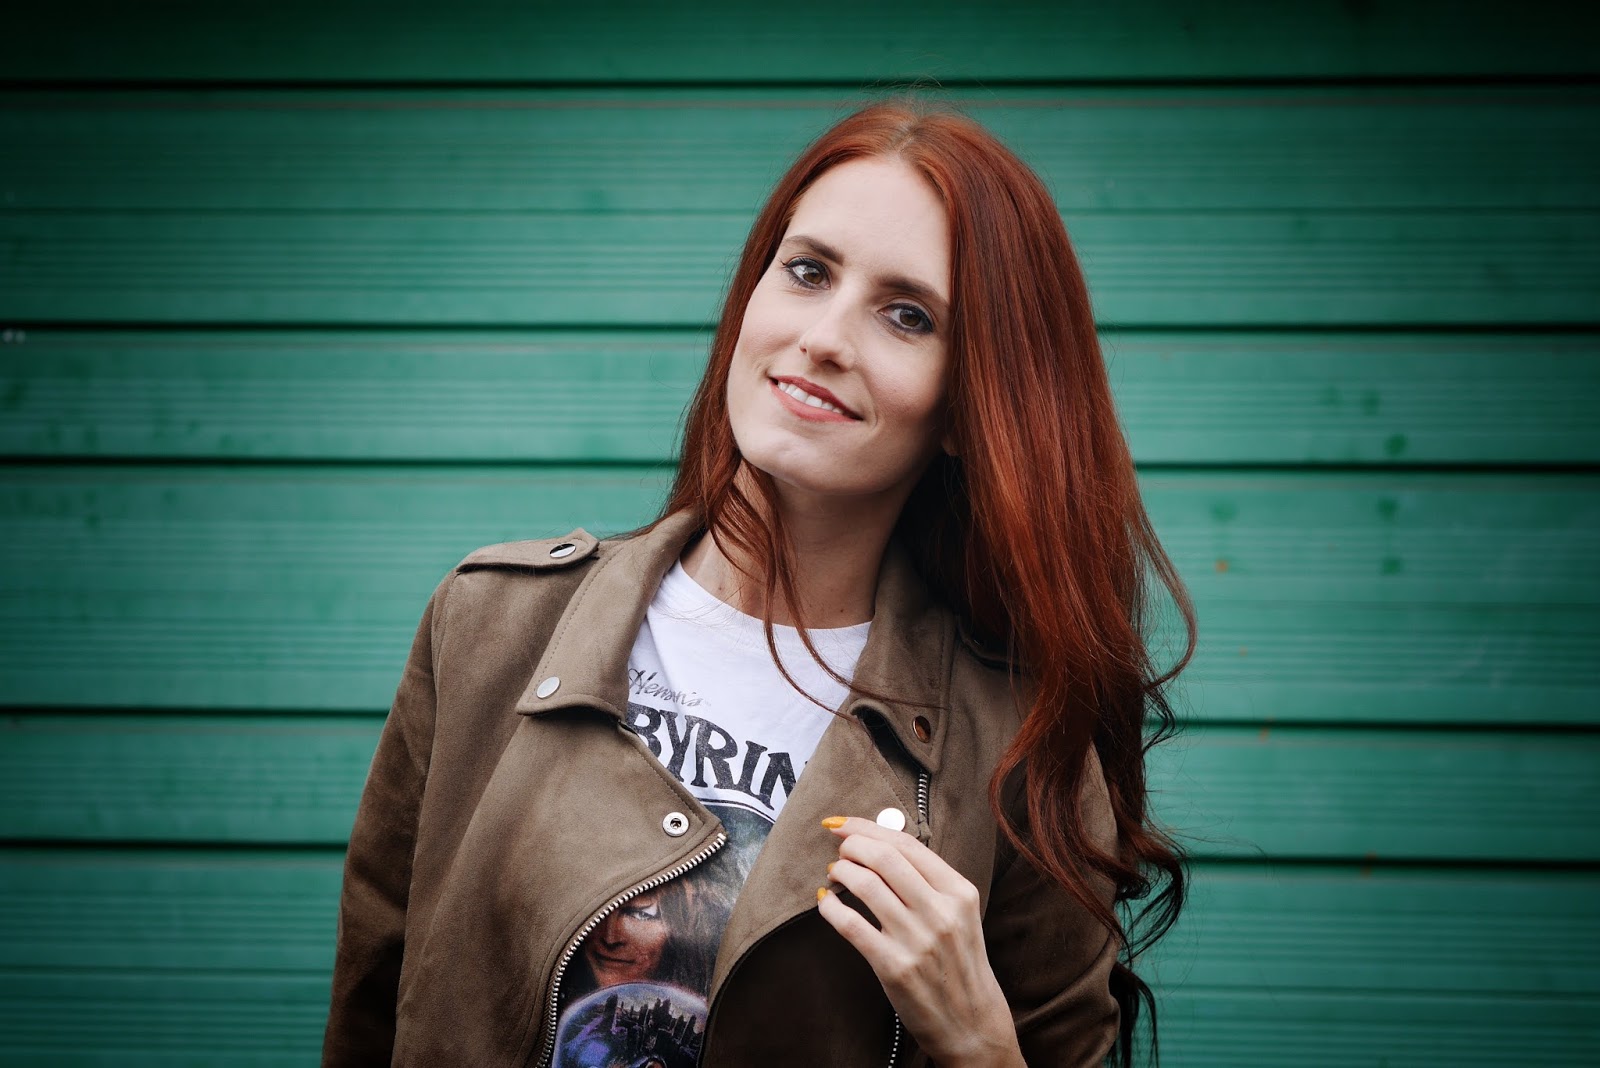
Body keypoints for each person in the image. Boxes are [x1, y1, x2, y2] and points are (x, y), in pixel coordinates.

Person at [322, 97, 1194, 1068]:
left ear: (966, 404)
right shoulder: (489, 625)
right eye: (808, 271)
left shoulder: (1021, 751)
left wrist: (983, 1049)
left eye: (907, 315)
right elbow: (368, 1015)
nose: (824, 337)